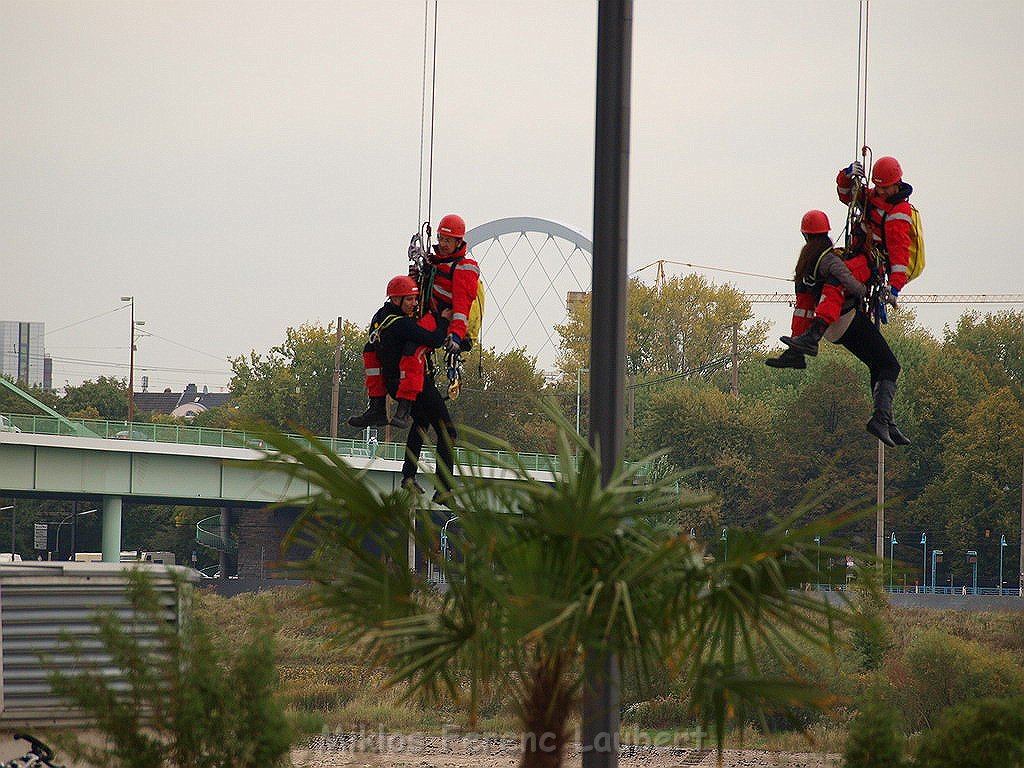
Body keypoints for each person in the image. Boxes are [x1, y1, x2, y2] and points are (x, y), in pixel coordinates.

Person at [766, 211, 909, 447]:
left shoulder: (806, 262)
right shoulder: (830, 260)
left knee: (877, 364)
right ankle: (881, 420)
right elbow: (847, 279)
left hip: (831, 328)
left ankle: (886, 422)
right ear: (826, 232)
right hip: (846, 319)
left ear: (805, 234)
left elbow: (803, 307)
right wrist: (864, 290)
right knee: (890, 365)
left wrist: (798, 341)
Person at [782, 156, 913, 355]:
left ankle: (815, 333)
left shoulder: (898, 213)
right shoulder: (872, 197)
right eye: (879, 187)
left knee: (837, 278)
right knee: (809, 277)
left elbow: (900, 255)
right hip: (855, 254)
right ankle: (797, 346)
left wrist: (894, 288)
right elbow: (845, 195)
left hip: (869, 263)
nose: (882, 191)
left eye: (885, 188)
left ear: (897, 183)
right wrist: (846, 175)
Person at [371, 275, 458, 502]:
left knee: (421, 422)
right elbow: (434, 339)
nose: (413, 304)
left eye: (414, 298)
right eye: (408, 299)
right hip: (415, 382)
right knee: (448, 432)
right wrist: (443, 320)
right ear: (396, 300)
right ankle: (445, 488)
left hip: (396, 382)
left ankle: (408, 475)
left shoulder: (381, 317)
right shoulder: (401, 324)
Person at [767, 210, 869, 370]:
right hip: (829, 313)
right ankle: (796, 352)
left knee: (817, 292)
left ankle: (802, 346)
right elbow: (850, 283)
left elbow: (848, 281)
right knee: (804, 296)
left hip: (830, 315)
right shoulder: (819, 258)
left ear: (805, 234)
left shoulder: (822, 260)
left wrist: (863, 292)